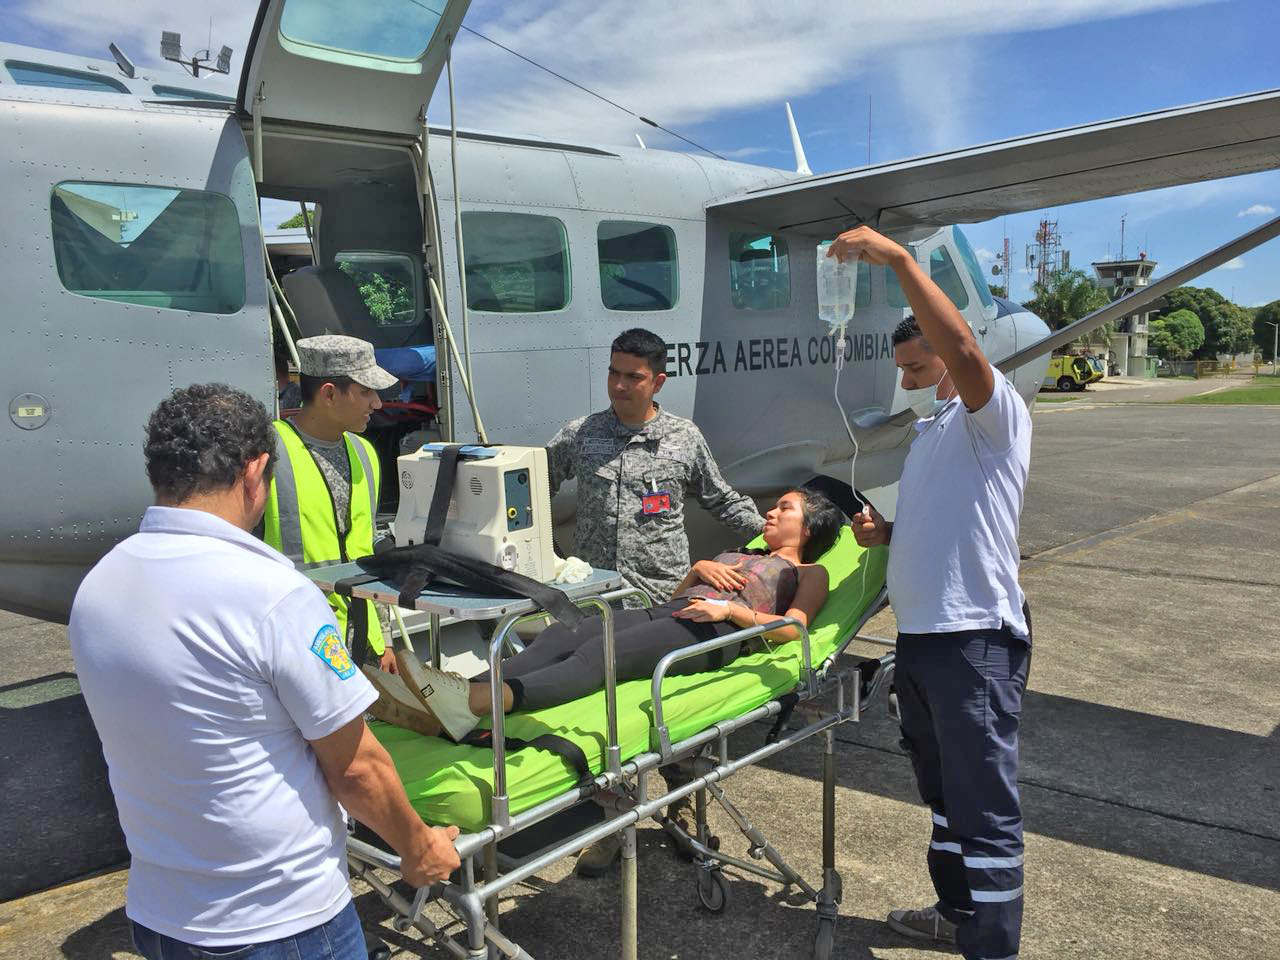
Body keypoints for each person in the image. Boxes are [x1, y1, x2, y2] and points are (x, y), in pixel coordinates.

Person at [69, 384, 460, 960]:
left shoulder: (101, 583)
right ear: (255, 470)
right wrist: (418, 845)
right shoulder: (271, 595)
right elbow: (356, 768)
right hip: (278, 922)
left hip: (163, 915)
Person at [831, 226, 1033, 960]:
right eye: (905, 368)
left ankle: (993, 948)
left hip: (971, 637)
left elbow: (970, 355)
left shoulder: (993, 414)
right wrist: (889, 533)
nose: (909, 378)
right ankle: (956, 915)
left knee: (983, 807)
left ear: (950, 350)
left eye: (919, 364)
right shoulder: (935, 431)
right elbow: (950, 521)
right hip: (920, 639)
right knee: (946, 796)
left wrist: (901, 262)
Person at [411, 488, 839, 738]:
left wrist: (729, 610)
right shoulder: (743, 553)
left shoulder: (808, 571)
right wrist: (696, 570)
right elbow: (677, 596)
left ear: (808, 529)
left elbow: (794, 628)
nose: (771, 511)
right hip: (675, 611)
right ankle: (455, 691)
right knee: (564, 633)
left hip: (718, 633)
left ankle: (482, 701)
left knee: (599, 655)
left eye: (785, 509)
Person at [546, 327, 765, 605]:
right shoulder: (581, 434)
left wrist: (772, 536)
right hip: (595, 594)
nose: (619, 386)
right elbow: (533, 491)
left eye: (633, 377)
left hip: (662, 593)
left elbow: (722, 501)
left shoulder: (683, 436)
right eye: (614, 373)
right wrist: (548, 560)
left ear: (658, 382)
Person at [261, 335, 399, 674]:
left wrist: (386, 638)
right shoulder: (267, 453)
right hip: (298, 647)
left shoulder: (365, 453)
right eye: (366, 391)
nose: (377, 404)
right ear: (329, 393)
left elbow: (368, 554)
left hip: (362, 647)